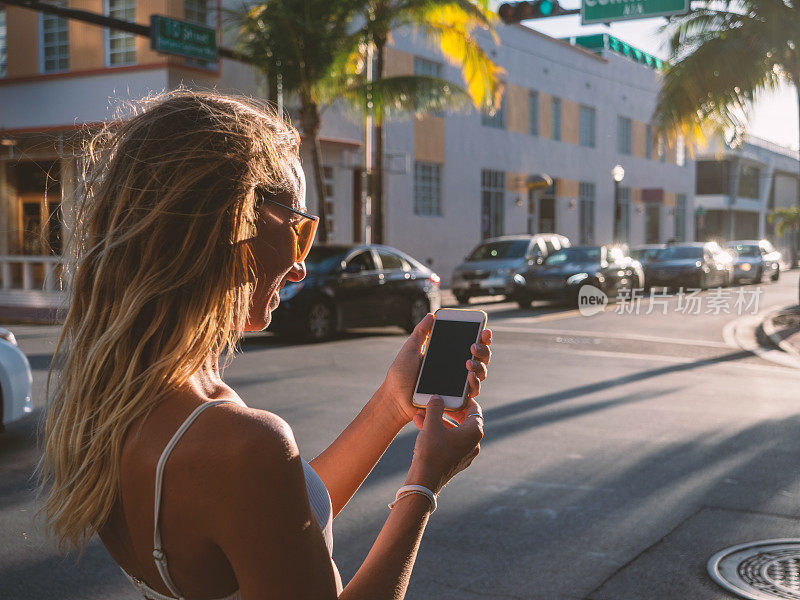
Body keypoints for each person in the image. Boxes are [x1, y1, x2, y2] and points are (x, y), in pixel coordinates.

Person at [38, 89, 492, 599]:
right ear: (230, 223)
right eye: (299, 230)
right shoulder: (239, 443)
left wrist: (390, 406)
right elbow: (265, 499)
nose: (301, 266)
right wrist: (424, 483)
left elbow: (275, 523)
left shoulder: (110, 403)